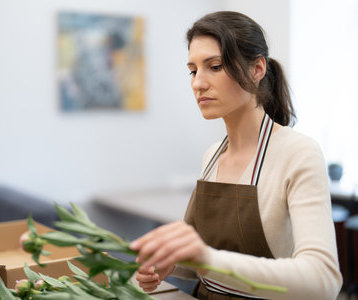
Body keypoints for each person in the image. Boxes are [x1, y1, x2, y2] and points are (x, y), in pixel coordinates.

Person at [129, 11, 342, 300]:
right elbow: (199, 260)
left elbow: (324, 281)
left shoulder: (298, 153)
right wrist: (167, 262)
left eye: (214, 66)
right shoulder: (212, 156)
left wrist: (208, 259)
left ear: (257, 69)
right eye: (193, 70)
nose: (197, 83)